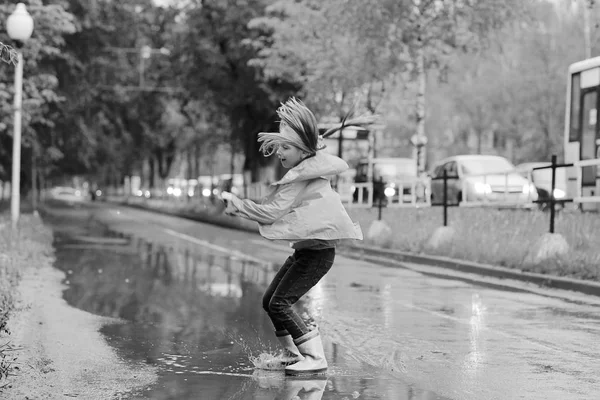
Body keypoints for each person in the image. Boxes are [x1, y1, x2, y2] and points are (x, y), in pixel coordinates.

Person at [220, 98, 363, 376]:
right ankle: (292, 353)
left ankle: (313, 356)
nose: (280, 153)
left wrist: (238, 205)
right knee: (269, 301)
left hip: (318, 255)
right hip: (307, 253)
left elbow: (272, 212)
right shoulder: (307, 168)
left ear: (303, 151)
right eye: (278, 147)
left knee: (280, 303)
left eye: (286, 147)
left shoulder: (302, 177)